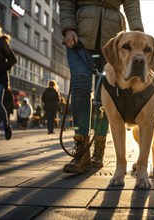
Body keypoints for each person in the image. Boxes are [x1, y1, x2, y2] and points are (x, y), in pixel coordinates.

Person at [60, 0, 144, 173]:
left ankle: (99, 148)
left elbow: (131, 3)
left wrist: (137, 30)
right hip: (79, 38)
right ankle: (81, 149)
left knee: (104, 95)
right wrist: (68, 27)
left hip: (112, 41)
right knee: (80, 85)